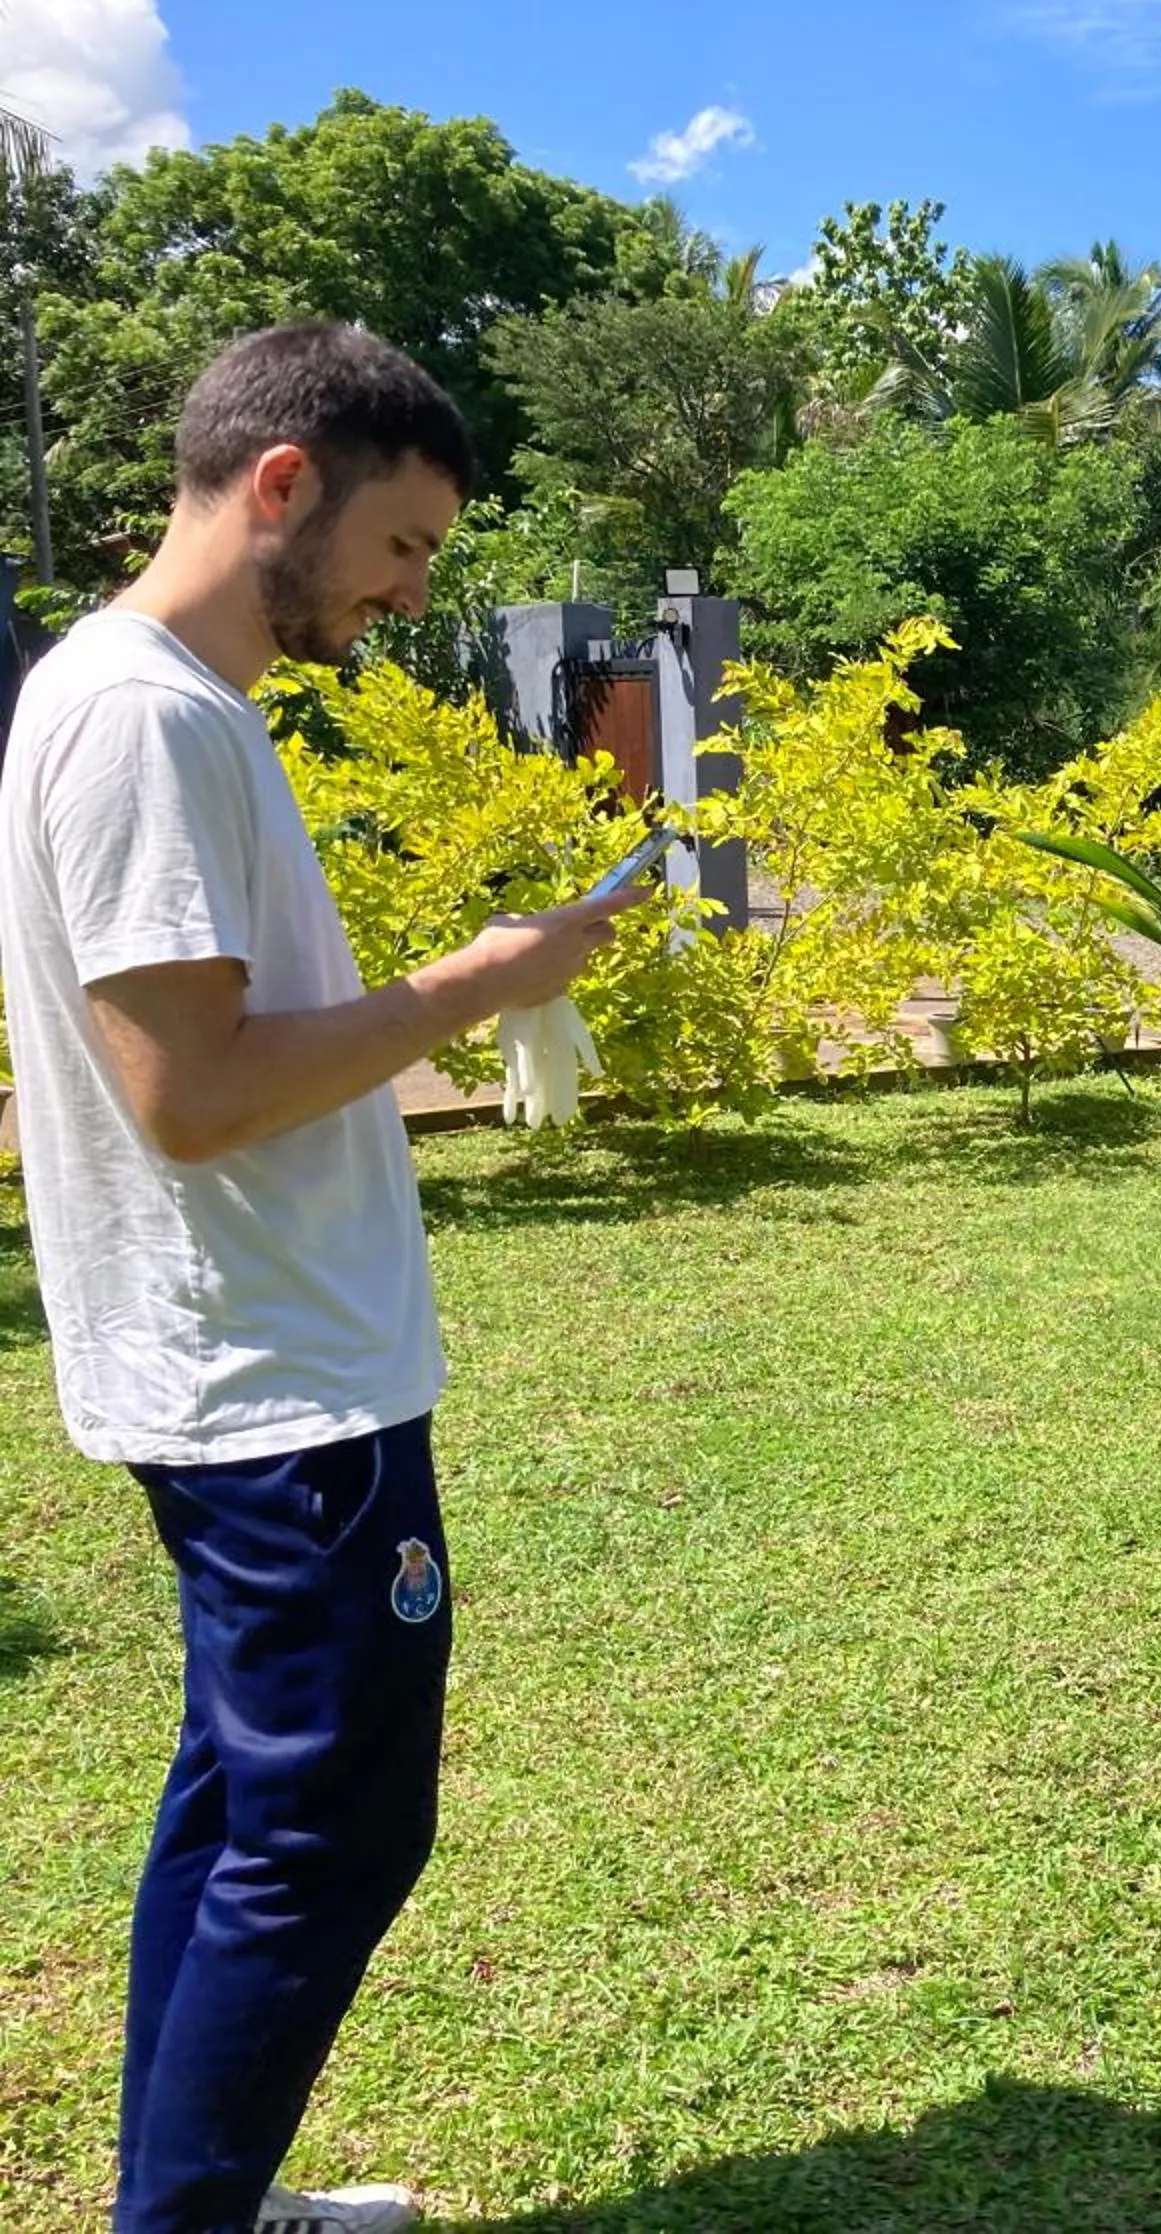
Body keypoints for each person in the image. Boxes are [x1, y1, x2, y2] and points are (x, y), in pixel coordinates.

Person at [0, 323, 644, 2234]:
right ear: (283, 484)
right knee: (328, 1830)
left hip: (245, 1357)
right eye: (408, 544)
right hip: (273, 1388)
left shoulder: (135, 698)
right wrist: (483, 981)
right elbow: (190, 1097)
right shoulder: (147, 718)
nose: (412, 589)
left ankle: (199, 2198)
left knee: (236, 1807)